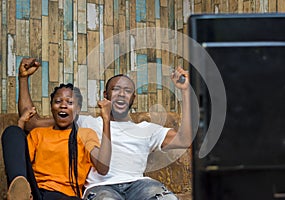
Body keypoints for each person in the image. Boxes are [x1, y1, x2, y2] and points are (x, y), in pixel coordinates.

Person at [18, 58, 192, 200]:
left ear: (133, 98)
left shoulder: (146, 129)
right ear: (105, 95)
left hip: (140, 184)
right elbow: (31, 123)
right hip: (100, 188)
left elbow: (185, 140)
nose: (122, 94)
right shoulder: (84, 122)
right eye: (116, 89)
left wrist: (185, 92)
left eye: (127, 90)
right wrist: (23, 79)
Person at [2, 80, 112, 200]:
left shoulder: (85, 134)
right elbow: (19, 160)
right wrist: (21, 124)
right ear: (52, 107)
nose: (63, 105)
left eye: (70, 102)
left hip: (65, 195)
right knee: (12, 131)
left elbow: (102, 167)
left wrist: (106, 119)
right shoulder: (38, 133)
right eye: (58, 101)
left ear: (78, 109)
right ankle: (19, 194)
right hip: (34, 192)